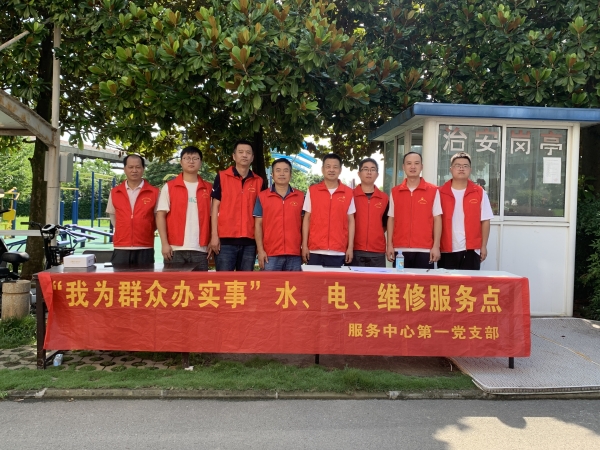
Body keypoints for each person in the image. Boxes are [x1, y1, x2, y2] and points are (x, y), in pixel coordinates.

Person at [209, 140, 264, 271]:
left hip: (249, 242)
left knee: (245, 282)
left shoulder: (258, 181)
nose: (244, 155)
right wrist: (214, 236)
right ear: (234, 156)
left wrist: (260, 243)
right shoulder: (222, 176)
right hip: (225, 241)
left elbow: (261, 214)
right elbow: (214, 207)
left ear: (252, 157)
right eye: (240, 152)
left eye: (248, 153)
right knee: (223, 281)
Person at [155, 146, 212, 270]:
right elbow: (160, 215)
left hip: (201, 248)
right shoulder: (169, 187)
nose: (191, 161)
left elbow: (213, 218)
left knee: (199, 282)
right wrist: (164, 243)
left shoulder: (208, 188)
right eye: (187, 158)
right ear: (181, 162)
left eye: (195, 158)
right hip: (174, 249)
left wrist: (212, 240)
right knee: (173, 283)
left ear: (200, 163)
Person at [438, 151, 494, 270]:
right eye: (457, 165)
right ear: (451, 169)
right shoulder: (440, 192)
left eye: (465, 166)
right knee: (447, 281)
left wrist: (483, 246)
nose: (461, 168)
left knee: (470, 281)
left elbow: (485, 220)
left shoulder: (479, 192)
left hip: (471, 249)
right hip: (446, 248)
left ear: (470, 169)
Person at [386, 152, 442, 269]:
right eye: (409, 163)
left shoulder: (433, 190)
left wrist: (436, 246)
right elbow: (391, 219)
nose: (413, 167)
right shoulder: (395, 192)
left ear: (422, 166)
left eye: (416, 163)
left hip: (425, 250)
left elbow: (437, 219)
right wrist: (389, 245)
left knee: (424, 281)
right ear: (403, 167)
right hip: (400, 250)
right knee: (400, 280)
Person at [302, 153, 355, 266]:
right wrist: (304, 245)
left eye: (335, 167)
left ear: (340, 170)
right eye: (328, 166)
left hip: (338, 251)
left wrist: (350, 247)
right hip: (314, 250)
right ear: (322, 169)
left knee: (335, 279)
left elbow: (351, 221)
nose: (331, 170)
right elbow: (307, 218)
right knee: (313, 279)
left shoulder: (348, 192)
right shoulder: (312, 191)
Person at [106, 154, 159, 266]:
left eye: (138, 167)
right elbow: (113, 216)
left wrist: (146, 228)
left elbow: (157, 218)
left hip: (145, 246)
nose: (134, 170)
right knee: (120, 277)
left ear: (143, 169)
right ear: (125, 169)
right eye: (130, 167)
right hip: (121, 246)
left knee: (144, 277)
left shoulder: (154, 192)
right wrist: (124, 228)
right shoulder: (115, 192)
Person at [253, 158, 304, 271]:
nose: (282, 174)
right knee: (269, 283)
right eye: (278, 170)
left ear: (290, 174)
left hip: (294, 254)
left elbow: (305, 224)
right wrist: (260, 251)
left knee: (294, 283)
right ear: (272, 174)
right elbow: (258, 225)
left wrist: (304, 247)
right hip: (270, 254)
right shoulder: (262, 196)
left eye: (286, 170)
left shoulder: (300, 197)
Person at [352, 158, 389, 267]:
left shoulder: (384, 198)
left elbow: (386, 223)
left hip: (377, 251)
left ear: (377, 174)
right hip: (354, 250)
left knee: (377, 279)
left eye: (373, 169)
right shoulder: (350, 196)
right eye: (365, 169)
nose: (369, 172)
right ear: (359, 173)